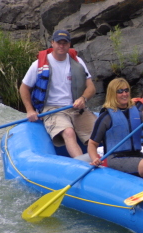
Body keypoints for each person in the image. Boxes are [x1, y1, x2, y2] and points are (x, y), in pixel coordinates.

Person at [20, 29, 96, 158]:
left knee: (97, 133)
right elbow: (24, 88)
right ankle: (83, 164)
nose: (61, 46)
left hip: (76, 108)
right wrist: (30, 110)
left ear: (69, 45)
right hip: (52, 109)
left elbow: (91, 88)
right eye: (58, 43)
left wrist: (83, 98)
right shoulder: (38, 65)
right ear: (52, 43)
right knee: (69, 132)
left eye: (64, 43)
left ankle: (101, 161)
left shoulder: (77, 62)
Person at [87, 78, 143, 185]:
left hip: (136, 154)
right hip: (116, 158)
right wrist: (95, 159)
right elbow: (92, 143)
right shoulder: (106, 117)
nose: (124, 94)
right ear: (113, 94)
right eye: (120, 91)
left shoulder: (137, 113)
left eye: (126, 90)